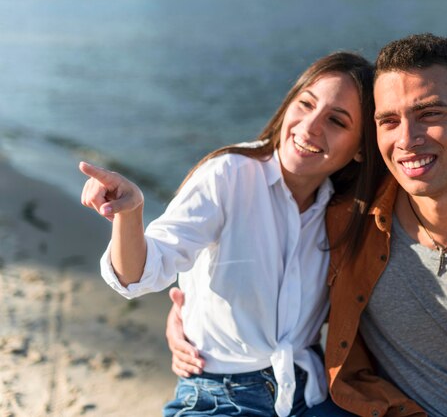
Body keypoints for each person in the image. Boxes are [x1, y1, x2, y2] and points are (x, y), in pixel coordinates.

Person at [167, 34, 447, 416]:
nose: (407, 140)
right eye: (388, 121)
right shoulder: (345, 218)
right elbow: (274, 277)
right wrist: (192, 318)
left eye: (431, 114)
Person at [79, 51, 386, 417]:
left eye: (336, 120)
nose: (310, 126)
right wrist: (130, 214)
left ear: (361, 150)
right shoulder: (228, 175)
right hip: (220, 396)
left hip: (311, 392)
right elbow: (139, 274)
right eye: (305, 103)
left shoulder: (350, 212)